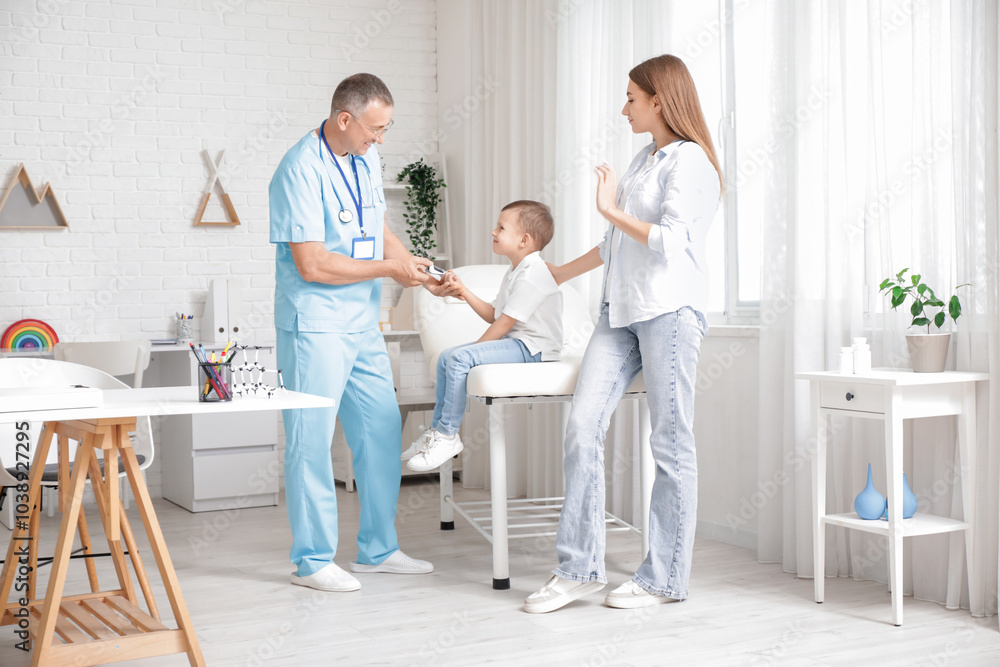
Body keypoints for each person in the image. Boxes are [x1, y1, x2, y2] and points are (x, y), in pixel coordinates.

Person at [523, 55, 724, 613]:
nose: (624, 107)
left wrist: (609, 209)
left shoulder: (692, 162)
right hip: (620, 315)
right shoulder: (643, 159)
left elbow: (667, 240)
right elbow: (617, 244)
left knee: (670, 443)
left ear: (659, 100)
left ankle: (664, 579)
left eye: (631, 98)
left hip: (669, 313)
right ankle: (579, 569)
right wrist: (557, 273)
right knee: (582, 427)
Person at [269, 73, 449, 593]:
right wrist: (388, 272)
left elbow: (378, 226)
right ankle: (311, 559)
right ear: (344, 119)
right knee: (311, 441)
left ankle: (378, 548)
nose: (380, 139)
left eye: (385, 129)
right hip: (316, 323)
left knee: (380, 427)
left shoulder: (364, 156)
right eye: (375, 128)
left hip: (361, 320)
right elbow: (312, 263)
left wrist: (409, 263)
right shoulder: (298, 169)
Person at [403, 200, 564, 472]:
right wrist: (463, 291)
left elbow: (503, 324)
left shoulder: (535, 273)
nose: (493, 232)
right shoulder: (514, 271)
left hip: (534, 348)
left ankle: (447, 435)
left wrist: (470, 356)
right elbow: (493, 314)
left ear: (524, 240)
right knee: (446, 357)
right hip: (518, 343)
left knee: (458, 358)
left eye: (501, 227)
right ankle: (437, 432)